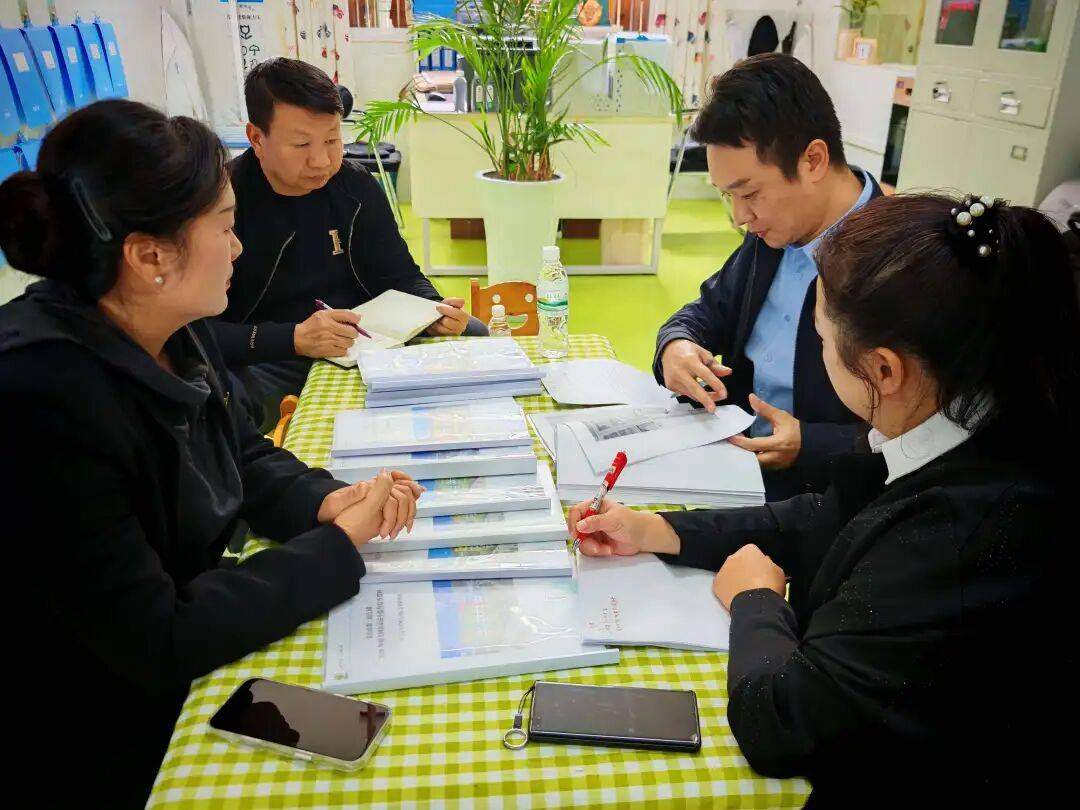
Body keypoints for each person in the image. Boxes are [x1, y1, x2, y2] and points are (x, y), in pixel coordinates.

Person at [575, 192, 1075, 806]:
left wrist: (756, 601)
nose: (817, 352)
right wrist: (659, 530)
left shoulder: (961, 531)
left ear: (884, 371)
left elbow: (781, 721)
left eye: (821, 339)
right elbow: (824, 517)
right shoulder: (953, 421)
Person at [0, 100, 421, 807]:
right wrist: (336, 546)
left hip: (178, 650)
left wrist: (324, 499)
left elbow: (238, 450)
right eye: (225, 229)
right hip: (101, 727)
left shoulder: (166, 324)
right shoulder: (41, 399)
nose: (239, 249)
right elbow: (154, 636)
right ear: (150, 256)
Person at [212, 57, 487, 430]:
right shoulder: (224, 201)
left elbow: (401, 275)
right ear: (257, 138)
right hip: (274, 355)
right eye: (301, 144)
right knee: (222, 399)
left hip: (366, 341)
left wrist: (432, 310)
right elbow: (197, 332)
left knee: (476, 333)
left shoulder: (355, 186)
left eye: (332, 139)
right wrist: (295, 338)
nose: (321, 160)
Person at [654, 53, 883, 499]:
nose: (740, 217)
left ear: (813, 160)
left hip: (827, 498)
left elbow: (927, 432)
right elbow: (710, 308)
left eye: (750, 193)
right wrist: (676, 345)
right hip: (737, 464)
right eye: (728, 196)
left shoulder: (899, 261)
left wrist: (811, 444)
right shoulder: (774, 232)